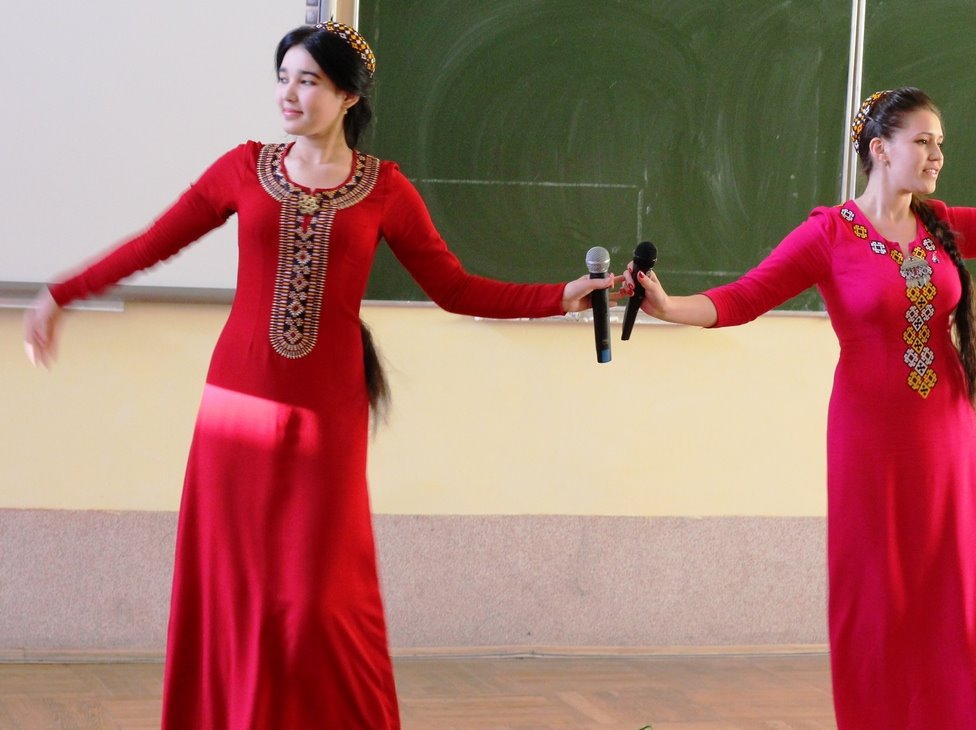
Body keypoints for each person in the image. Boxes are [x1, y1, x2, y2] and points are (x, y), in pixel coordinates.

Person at [23, 21, 615, 730]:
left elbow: (454, 289)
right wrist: (61, 293)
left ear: (347, 97)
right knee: (235, 588)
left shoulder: (385, 190)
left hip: (328, 414)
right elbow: (154, 243)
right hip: (235, 406)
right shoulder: (243, 168)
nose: (288, 94)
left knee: (322, 599)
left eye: (307, 81)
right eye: (283, 78)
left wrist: (556, 297)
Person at [621, 87, 976, 728]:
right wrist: (667, 307)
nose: (936, 154)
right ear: (880, 150)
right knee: (882, 596)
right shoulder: (828, 234)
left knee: (964, 593)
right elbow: (745, 297)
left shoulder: (940, 224)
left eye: (939, 142)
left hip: (949, 435)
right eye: (922, 141)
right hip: (870, 441)